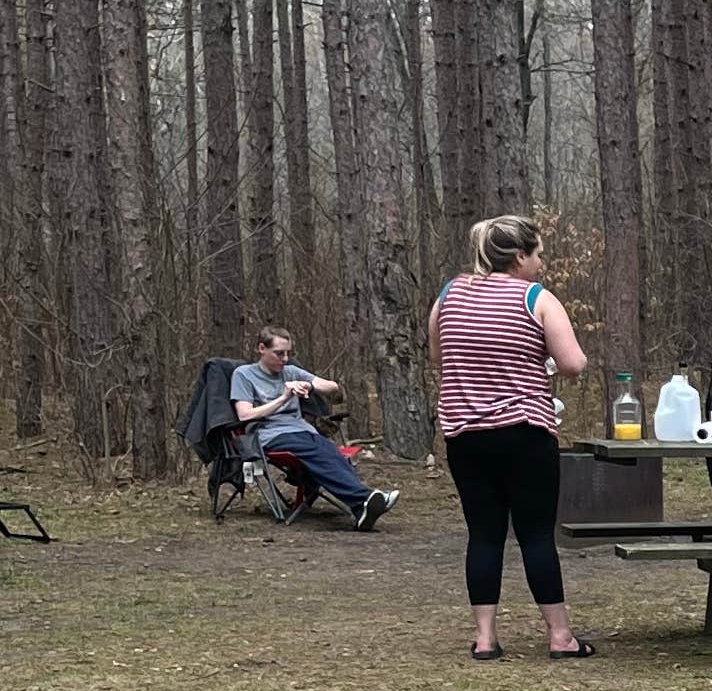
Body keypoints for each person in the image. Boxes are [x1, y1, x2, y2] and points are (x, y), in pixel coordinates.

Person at [430, 212, 594, 663]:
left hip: (465, 435)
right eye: (538, 254)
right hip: (525, 432)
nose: (541, 263)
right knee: (536, 535)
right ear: (519, 255)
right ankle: (560, 637)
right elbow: (574, 364)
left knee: (483, 534)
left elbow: (439, 357)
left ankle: (485, 639)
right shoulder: (537, 299)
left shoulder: (447, 297)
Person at [233, 327, 398, 529]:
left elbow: (332, 387)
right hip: (269, 434)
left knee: (330, 451)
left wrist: (309, 386)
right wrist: (284, 397)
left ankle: (361, 508)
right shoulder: (244, 375)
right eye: (279, 353)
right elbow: (244, 415)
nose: (285, 359)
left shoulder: (291, 371)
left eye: (288, 353)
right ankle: (364, 498)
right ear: (261, 348)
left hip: (301, 431)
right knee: (317, 450)